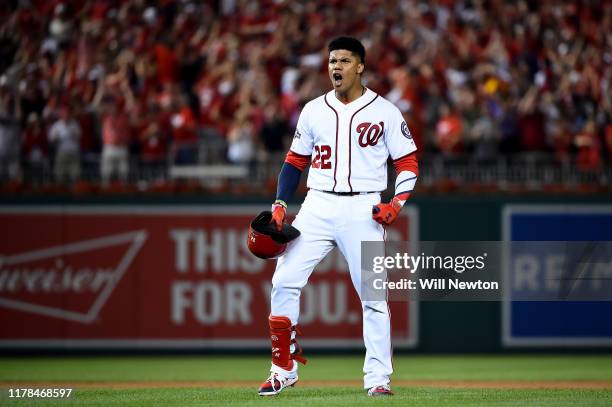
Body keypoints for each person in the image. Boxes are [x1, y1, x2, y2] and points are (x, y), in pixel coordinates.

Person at [258, 37, 418, 397]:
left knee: (373, 296)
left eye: (344, 61)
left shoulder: (385, 111)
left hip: (363, 207)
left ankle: (378, 379)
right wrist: (281, 204)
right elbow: (294, 162)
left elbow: (408, 162)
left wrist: (396, 203)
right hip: (317, 204)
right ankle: (283, 369)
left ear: (360, 66)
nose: (336, 67)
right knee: (284, 281)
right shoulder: (314, 109)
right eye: (332, 60)